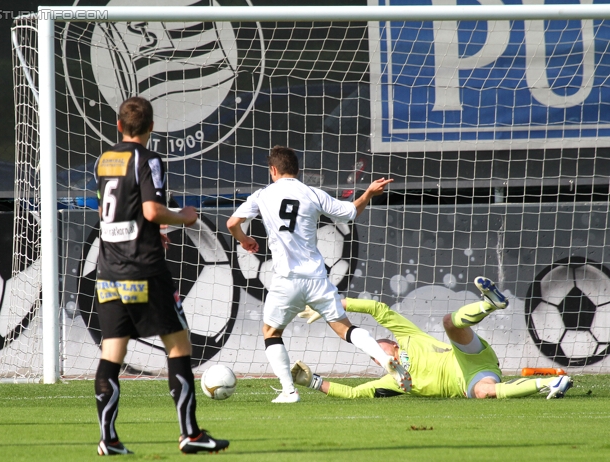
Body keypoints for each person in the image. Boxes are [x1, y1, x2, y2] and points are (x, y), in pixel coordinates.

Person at [93, 96, 229, 455]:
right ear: (152, 128)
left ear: (119, 127)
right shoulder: (149, 158)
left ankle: (109, 439)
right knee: (179, 345)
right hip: (143, 270)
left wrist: (151, 230)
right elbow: (152, 210)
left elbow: (116, 213)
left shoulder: (105, 159)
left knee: (112, 353)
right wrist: (184, 218)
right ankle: (190, 434)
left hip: (107, 271)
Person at [226, 145, 411, 404]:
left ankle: (289, 391)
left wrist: (245, 240)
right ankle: (383, 358)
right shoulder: (312, 193)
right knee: (345, 328)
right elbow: (350, 212)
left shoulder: (262, 195)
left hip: (285, 279)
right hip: (316, 277)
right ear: (297, 170)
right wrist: (368, 193)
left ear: (273, 170)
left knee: (271, 332)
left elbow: (232, 223)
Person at [292, 277, 574, 400]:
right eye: (372, 356)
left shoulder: (408, 335)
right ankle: (551, 382)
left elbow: (378, 309)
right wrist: (313, 382)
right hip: (473, 380)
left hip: (469, 355)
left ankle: (490, 304)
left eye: (377, 348)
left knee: (449, 323)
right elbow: (354, 392)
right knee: (483, 394)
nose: (376, 354)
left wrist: (337, 304)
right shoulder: (394, 380)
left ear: (391, 342)